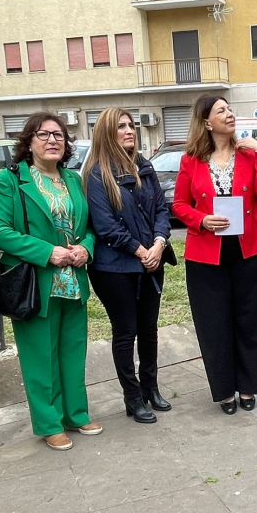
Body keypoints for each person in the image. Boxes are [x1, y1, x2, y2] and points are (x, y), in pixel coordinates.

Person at [0, 113, 101, 450]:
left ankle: (76, 415)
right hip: (36, 282)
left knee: (73, 351)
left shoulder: (73, 180)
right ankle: (49, 423)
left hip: (74, 280)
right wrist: (47, 252)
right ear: (29, 142)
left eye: (59, 135)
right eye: (43, 134)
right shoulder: (9, 181)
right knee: (40, 357)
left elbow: (90, 228)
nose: (52, 140)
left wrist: (85, 249)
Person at [172, 95, 257, 415]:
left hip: (249, 248)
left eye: (230, 109)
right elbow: (178, 206)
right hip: (206, 252)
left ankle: (248, 386)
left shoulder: (247, 152)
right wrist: (201, 219)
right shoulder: (191, 160)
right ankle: (223, 390)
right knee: (213, 323)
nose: (229, 114)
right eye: (222, 111)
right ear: (207, 122)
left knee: (251, 320)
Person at [83, 108, 172, 424]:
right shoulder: (97, 174)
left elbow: (162, 210)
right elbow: (105, 226)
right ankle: (132, 397)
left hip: (151, 262)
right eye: (121, 126)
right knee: (127, 332)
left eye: (131, 125)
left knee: (149, 330)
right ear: (108, 133)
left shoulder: (144, 167)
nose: (129, 130)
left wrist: (159, 244)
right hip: (115, 268)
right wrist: (140, 250)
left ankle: (151, 387)